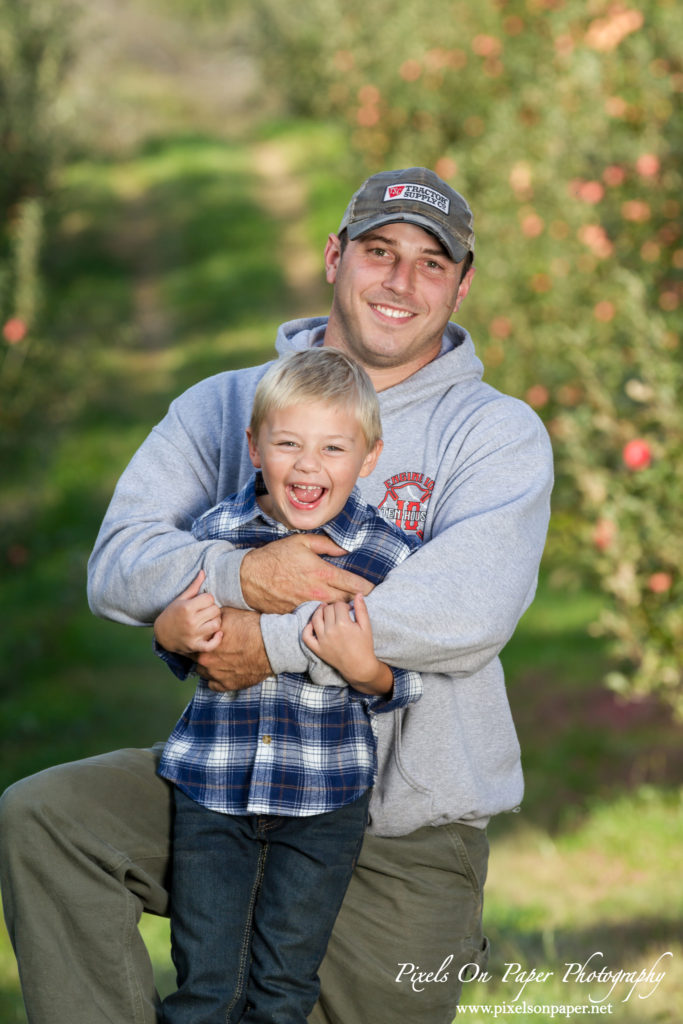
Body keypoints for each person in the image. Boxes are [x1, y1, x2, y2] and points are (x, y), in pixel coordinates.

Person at [0, 166, 554, 1024]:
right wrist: (237, 575)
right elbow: (118, 564)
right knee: (48, 822)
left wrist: (272, 640)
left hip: (397, 833)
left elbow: (465, 611)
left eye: (430, 263)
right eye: (378, 252)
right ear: (334, 256)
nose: (400, 281)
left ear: (461, 283)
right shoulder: (226, 407)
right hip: (227, 786)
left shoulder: (493, 432)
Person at [153, 347, 422, 1023]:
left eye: (334, 447)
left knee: (283, 988)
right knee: (206, 983)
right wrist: (171, 633)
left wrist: (368, 670)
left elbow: (405, 675)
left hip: (324, 798)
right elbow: (189, 652)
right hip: (211, 787)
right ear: (254, 447)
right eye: (288, 443)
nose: (308, 466)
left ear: (368, 458)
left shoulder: (388, 556)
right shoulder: (215, 538)